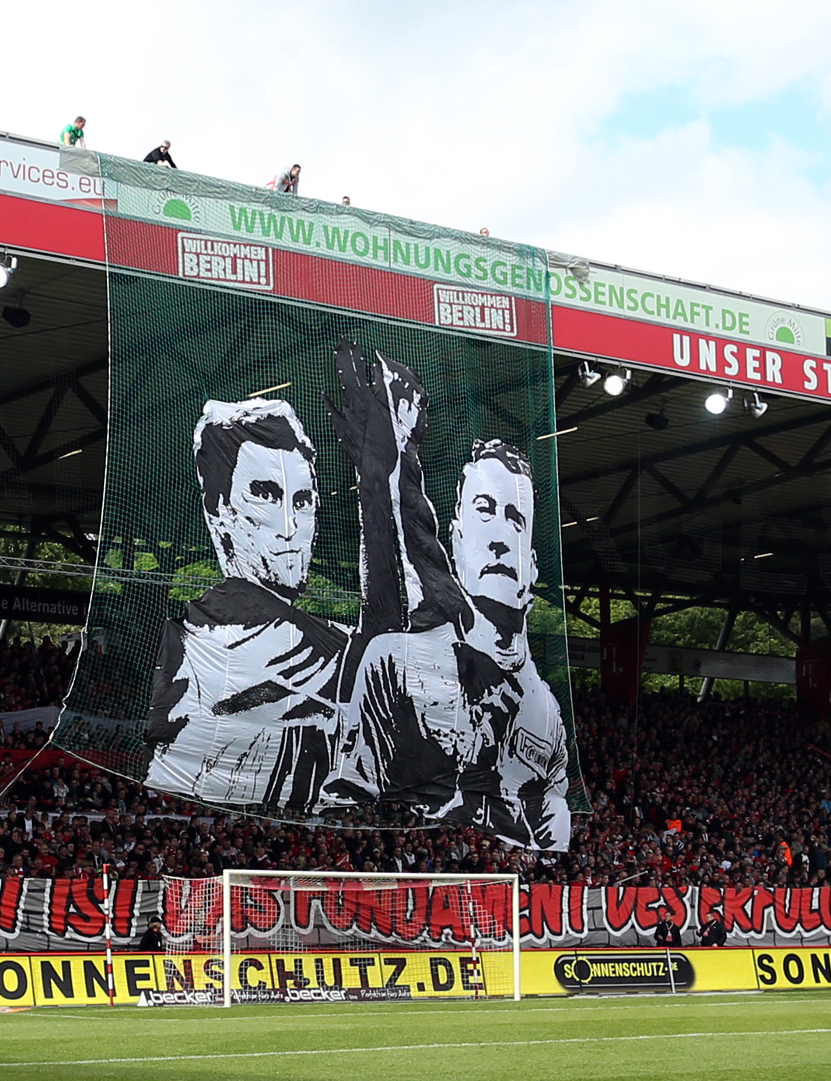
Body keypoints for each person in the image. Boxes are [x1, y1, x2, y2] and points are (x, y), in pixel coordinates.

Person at [321, 344, 569, 847]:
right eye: (483, 510)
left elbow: (554, 824)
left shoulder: (546, 713)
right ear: (455, 540)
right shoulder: (395, 660)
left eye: (514, 519)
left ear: (533, 567)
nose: (499, 535)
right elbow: (354, 796)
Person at [141, 399, 350, 812]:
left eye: (303, 501)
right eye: (266, 495)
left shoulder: (339, 642)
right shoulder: (203, 641)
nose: (290, 527)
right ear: (221, 513)